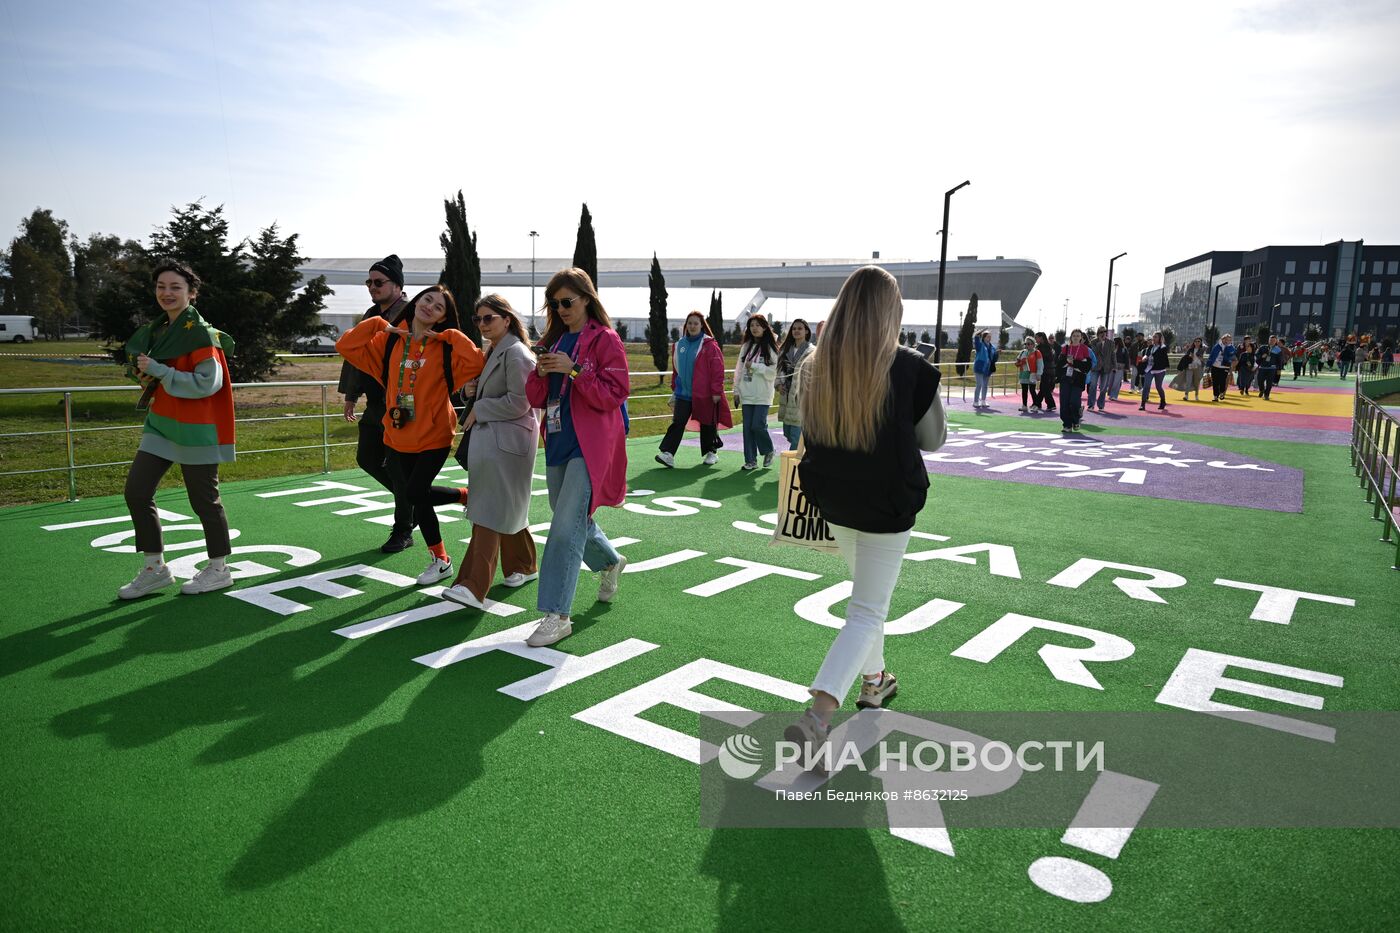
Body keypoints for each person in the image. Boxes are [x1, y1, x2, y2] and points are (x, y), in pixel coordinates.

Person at [784, 266, 941, 751]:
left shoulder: (815, 364)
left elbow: (804, 429)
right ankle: (818, 713)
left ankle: (875, 681)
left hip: (833, 498)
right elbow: (932, 440)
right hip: (888, 503)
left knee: (867, 604)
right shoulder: (911, 367)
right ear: (889, 312)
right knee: (868, 609)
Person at [337, 284, 485, 585]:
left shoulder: (445, 346)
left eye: (439, 307)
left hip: (435, 435)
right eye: (426, 299)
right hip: (397, 433)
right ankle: (441, 558)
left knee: (416, 492)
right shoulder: (387, 342)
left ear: (442, 318)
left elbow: (475, 362)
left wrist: (450, 335)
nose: (429, 306)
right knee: (416, 498)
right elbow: (346, 346)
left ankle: (462, 504)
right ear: (416, 301)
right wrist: (380, 324)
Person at [522, 268, 630, 648]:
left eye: (567, 301)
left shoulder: (606, 340)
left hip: (591, 445)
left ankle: (557, 614)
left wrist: (576, 370)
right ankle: (609, 561)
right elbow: (536, 396)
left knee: (565, 527)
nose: (561, 309)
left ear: (586, 298)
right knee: (567, 514)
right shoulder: (552, 339)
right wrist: (539, 369)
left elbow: (614, 394)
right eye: (555, 304)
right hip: (557, 439)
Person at [118, 259, 237, 599]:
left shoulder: (200, 334)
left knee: (205, 502)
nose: (166, 293)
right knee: (137, 493)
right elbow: (163, 375)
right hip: (161, 424)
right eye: (161, 287)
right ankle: (155, 569)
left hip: (197, 430)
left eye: (175, 287)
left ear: (192, 293)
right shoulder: (158, 332)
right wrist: (148, 375)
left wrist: (160, 371)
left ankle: (219, 569)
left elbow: (207, 383)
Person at [440, 295, 539, 609]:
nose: (482, 325)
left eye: (488, 318)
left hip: (507, 446)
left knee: (488, 511)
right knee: (505, 507)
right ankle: (523, 565)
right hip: (498, 444)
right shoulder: (496, 350)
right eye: (478, 319)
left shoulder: (516, 352)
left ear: (506, 319)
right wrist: (471, 390)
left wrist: (480, 406)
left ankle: (472, 586)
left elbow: (521, 402)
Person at [338, 255, 415, 553]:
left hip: (403, 399)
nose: (372, 286)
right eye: (369, 282)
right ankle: (413, 502)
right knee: (367, 458)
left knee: (397, 466)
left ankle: (403, 529)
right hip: (376, 400)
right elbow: (354, 354)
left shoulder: (411, 313)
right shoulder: (371, 315)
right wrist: (350, 395)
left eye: (379, 282)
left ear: (397, 285)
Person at [656, 311, 731, 467]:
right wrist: (674, 387)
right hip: (683, 394)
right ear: (686, 325)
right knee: (678, 422)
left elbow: (718, 369)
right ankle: (668, 454)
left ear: (702, 325)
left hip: (705, 394)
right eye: (690, 323)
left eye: (696, 323)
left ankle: (711, 452)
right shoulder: (678, 345)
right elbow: (676, 369)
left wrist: (716, 391)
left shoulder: (710, 345)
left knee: (707, 423)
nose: (692, 326)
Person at [733, 313, 779, 470]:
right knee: (747, 428)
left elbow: (773, 372)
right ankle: (750, 460)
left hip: (762, 395)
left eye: (758, 325)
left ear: (765, 327)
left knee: (758, 425)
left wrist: (755, 366)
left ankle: (768, 450)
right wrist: (736, 390)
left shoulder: (771, 348)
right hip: (747, 393)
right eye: (751, 325)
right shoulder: (746, 347)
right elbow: (739, 370)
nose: (754, 328)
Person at [775, 318, 815, 448]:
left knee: (795, 436)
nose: (796, 331)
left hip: (801, 397)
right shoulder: (785, 350)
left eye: (800, 328)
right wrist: (779, 384)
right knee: (787, 432)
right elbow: (779, 370)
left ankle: (795, 464)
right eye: (794, 328)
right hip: (786, 395)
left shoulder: (812, 351)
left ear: (806, 331)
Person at [1057, 328, 1092, 431]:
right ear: (1071, 337)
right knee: (1064, 401)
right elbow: (1059, 364)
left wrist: (1074, 363)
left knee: (1074, 401)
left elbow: (1087, 366)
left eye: (1078, 336)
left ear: (1081, 338)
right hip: (1066, 378)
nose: (1076, 337)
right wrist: (1067, 362)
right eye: (1074, 335)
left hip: (1078, 378)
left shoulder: (1085, 349)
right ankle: (1067, 424)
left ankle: (1076, 420)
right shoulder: (1065, 348)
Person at [1138, 332, 1169, 411]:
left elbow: (1161, 357)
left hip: (1159, 369)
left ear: (1159, 338)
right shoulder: (1151, 347)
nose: (1154, 339)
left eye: (1156, 337)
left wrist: (1152, 356)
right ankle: (1143, 404)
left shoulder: (1163, 347)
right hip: (1149, 369)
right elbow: (1147, 354)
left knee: (1158, 387)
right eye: (1153, 337)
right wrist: (1144, 357)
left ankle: (1163, 401)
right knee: (1146, 386)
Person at [1014, 335, 1042, 413]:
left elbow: (1040, 364)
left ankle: (1036, 405)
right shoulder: (1023, 352)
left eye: (1029, 344)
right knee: (1024, 390)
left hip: (1032, 374)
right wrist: (1019, 363)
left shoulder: (1037, 352)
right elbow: (1017, 362)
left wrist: (1039, 373)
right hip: (1023, 373)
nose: (1027, 345)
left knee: (1032, 390)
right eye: (1026, 344)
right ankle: (1024, 405)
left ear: (1033, 344)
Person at [1089, 327, 1114, 412]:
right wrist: (1099, 343)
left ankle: (1101, 405)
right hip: (1095, 367)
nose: (1103, 333)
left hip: (1106, 367)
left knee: (1103, 387)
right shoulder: (1093, 342)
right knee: (1093, 386)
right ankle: (1091, 405)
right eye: (1101, 332)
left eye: (1105, 332)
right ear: (1098, 333)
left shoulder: (1111, 343)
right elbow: (1094, 353)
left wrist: (1114, 365)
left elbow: (1112, 355)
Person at [1206, 333, 1237, 402]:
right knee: (1215, 382)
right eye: (1225, 339)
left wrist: (1227, 350)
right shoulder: (1217, 346)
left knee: (1222, 381)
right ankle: (1215, 396)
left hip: (1224, 366)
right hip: (1215, 366)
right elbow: (1211, 355)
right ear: (1222, 339)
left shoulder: (1232, 348)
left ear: (1230, 341)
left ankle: (1222, 392)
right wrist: (1208, 365)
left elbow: (1232, 357)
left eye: (1229, 340)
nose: (1226, 341)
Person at [972, 330, 998, 407]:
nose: (989, 338)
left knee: (985, 385)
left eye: (990, 337)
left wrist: (997, 354)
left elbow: (993, 358)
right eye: (987, 336)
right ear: (983, 337)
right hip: (979, 367)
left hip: (988, 368)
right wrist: (977, 335)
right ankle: (975, 401)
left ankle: (983, 400)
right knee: (979, 384)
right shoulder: (980, 345)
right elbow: (976, 339)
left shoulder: (992, 347)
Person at [1035, 331, 1057, 411]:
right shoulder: (1049, 347)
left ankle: (1051, 404)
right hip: (1051, 370)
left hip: (1045, 370)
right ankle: (1037, 403)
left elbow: (1041, 359)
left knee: (1045, 388)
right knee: (1043, 387)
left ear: (1041, 338)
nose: (1035, 339)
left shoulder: (1040, 348)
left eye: (1036, 337)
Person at [1110, 335, 1128, 400]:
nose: (1114, 342)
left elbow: (1126, 358)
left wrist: (1126, 368)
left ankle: (1114, 395)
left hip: (1120, 367)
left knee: (1116, 382)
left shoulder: (1124, 349)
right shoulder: (1111, 348)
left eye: (1115, 341)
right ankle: (1111, 394)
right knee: (1110, 381)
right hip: (1112, 367)